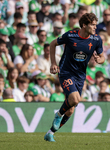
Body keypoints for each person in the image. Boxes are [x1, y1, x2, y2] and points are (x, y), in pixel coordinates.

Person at [44, 13, 105, 142]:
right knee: (75, 98)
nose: (95, 27)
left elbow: (102, 56)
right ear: (84, 25)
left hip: (80, 76)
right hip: (66, 72)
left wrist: (100, 59)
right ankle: (58, 114)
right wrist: (53, 63)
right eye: (93, 25)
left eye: (96, 24)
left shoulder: (96, 39)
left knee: (71, 110)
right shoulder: (70, 35)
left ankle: (50, 133)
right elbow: (53, 44)